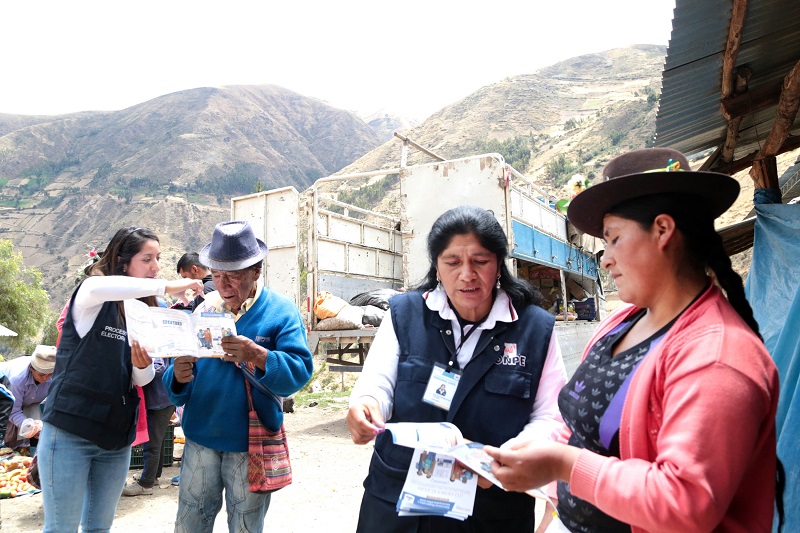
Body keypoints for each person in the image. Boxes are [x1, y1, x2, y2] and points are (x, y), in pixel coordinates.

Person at [485, 148, 781, 533]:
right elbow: (579, 423)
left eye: (614, 238)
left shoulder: (717, 357)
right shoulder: (622, 322)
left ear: (662, 230)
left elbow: (685, 502)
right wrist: (535, 454)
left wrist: (562, 464)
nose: (605, 259)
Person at [346, 205, 568, 533]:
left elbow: (551, 415)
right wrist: (366, 405)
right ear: (436, 266)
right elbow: (377, 384)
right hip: (398, 504)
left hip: (491, 509)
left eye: (480, 261)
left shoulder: (535, 329)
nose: (466, 274)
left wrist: (514, 454)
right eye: (452, 262)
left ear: (498, 266)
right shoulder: (404, 314)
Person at [38, 227, 202, 533]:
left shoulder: (142, 312)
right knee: (60, 528)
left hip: (115, 437)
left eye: (158, 258)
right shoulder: (90, 294)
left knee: (99, 528)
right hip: (71, 430)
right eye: (147, 259)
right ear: (123, 262)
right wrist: (171, 285)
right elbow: (104, 286)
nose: (155, 266)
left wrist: (140, 366)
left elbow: (143, 377)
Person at [163, 220, 314, 533]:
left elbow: (299, 373)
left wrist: (257, 355)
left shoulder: (281, 311)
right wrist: (177, 376)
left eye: (232, 275)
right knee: (190, 522)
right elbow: (178, 384)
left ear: (255, 271)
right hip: (200, 439)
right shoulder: (204, 309)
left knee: (246, 526)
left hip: (250, 445)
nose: (223, 285)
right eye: (216, 275)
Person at [122, 354, 176, 497]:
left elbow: (159, 368)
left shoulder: (156, 347)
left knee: (152, 444)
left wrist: (140, 366)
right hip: (164, 399)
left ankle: (146, 484)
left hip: (160, 401)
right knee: (159, 441)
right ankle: (154, 476)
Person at [0, 345, 57, 450]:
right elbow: (13, 411)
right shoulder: (17, 379)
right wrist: (27, 426)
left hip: (30, 402)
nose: (45, 378)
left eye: (49, 374)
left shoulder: (56, 376)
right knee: (7, 437)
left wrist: (38, 427)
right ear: (31, 368)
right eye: (41, 375)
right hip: (5, 401)